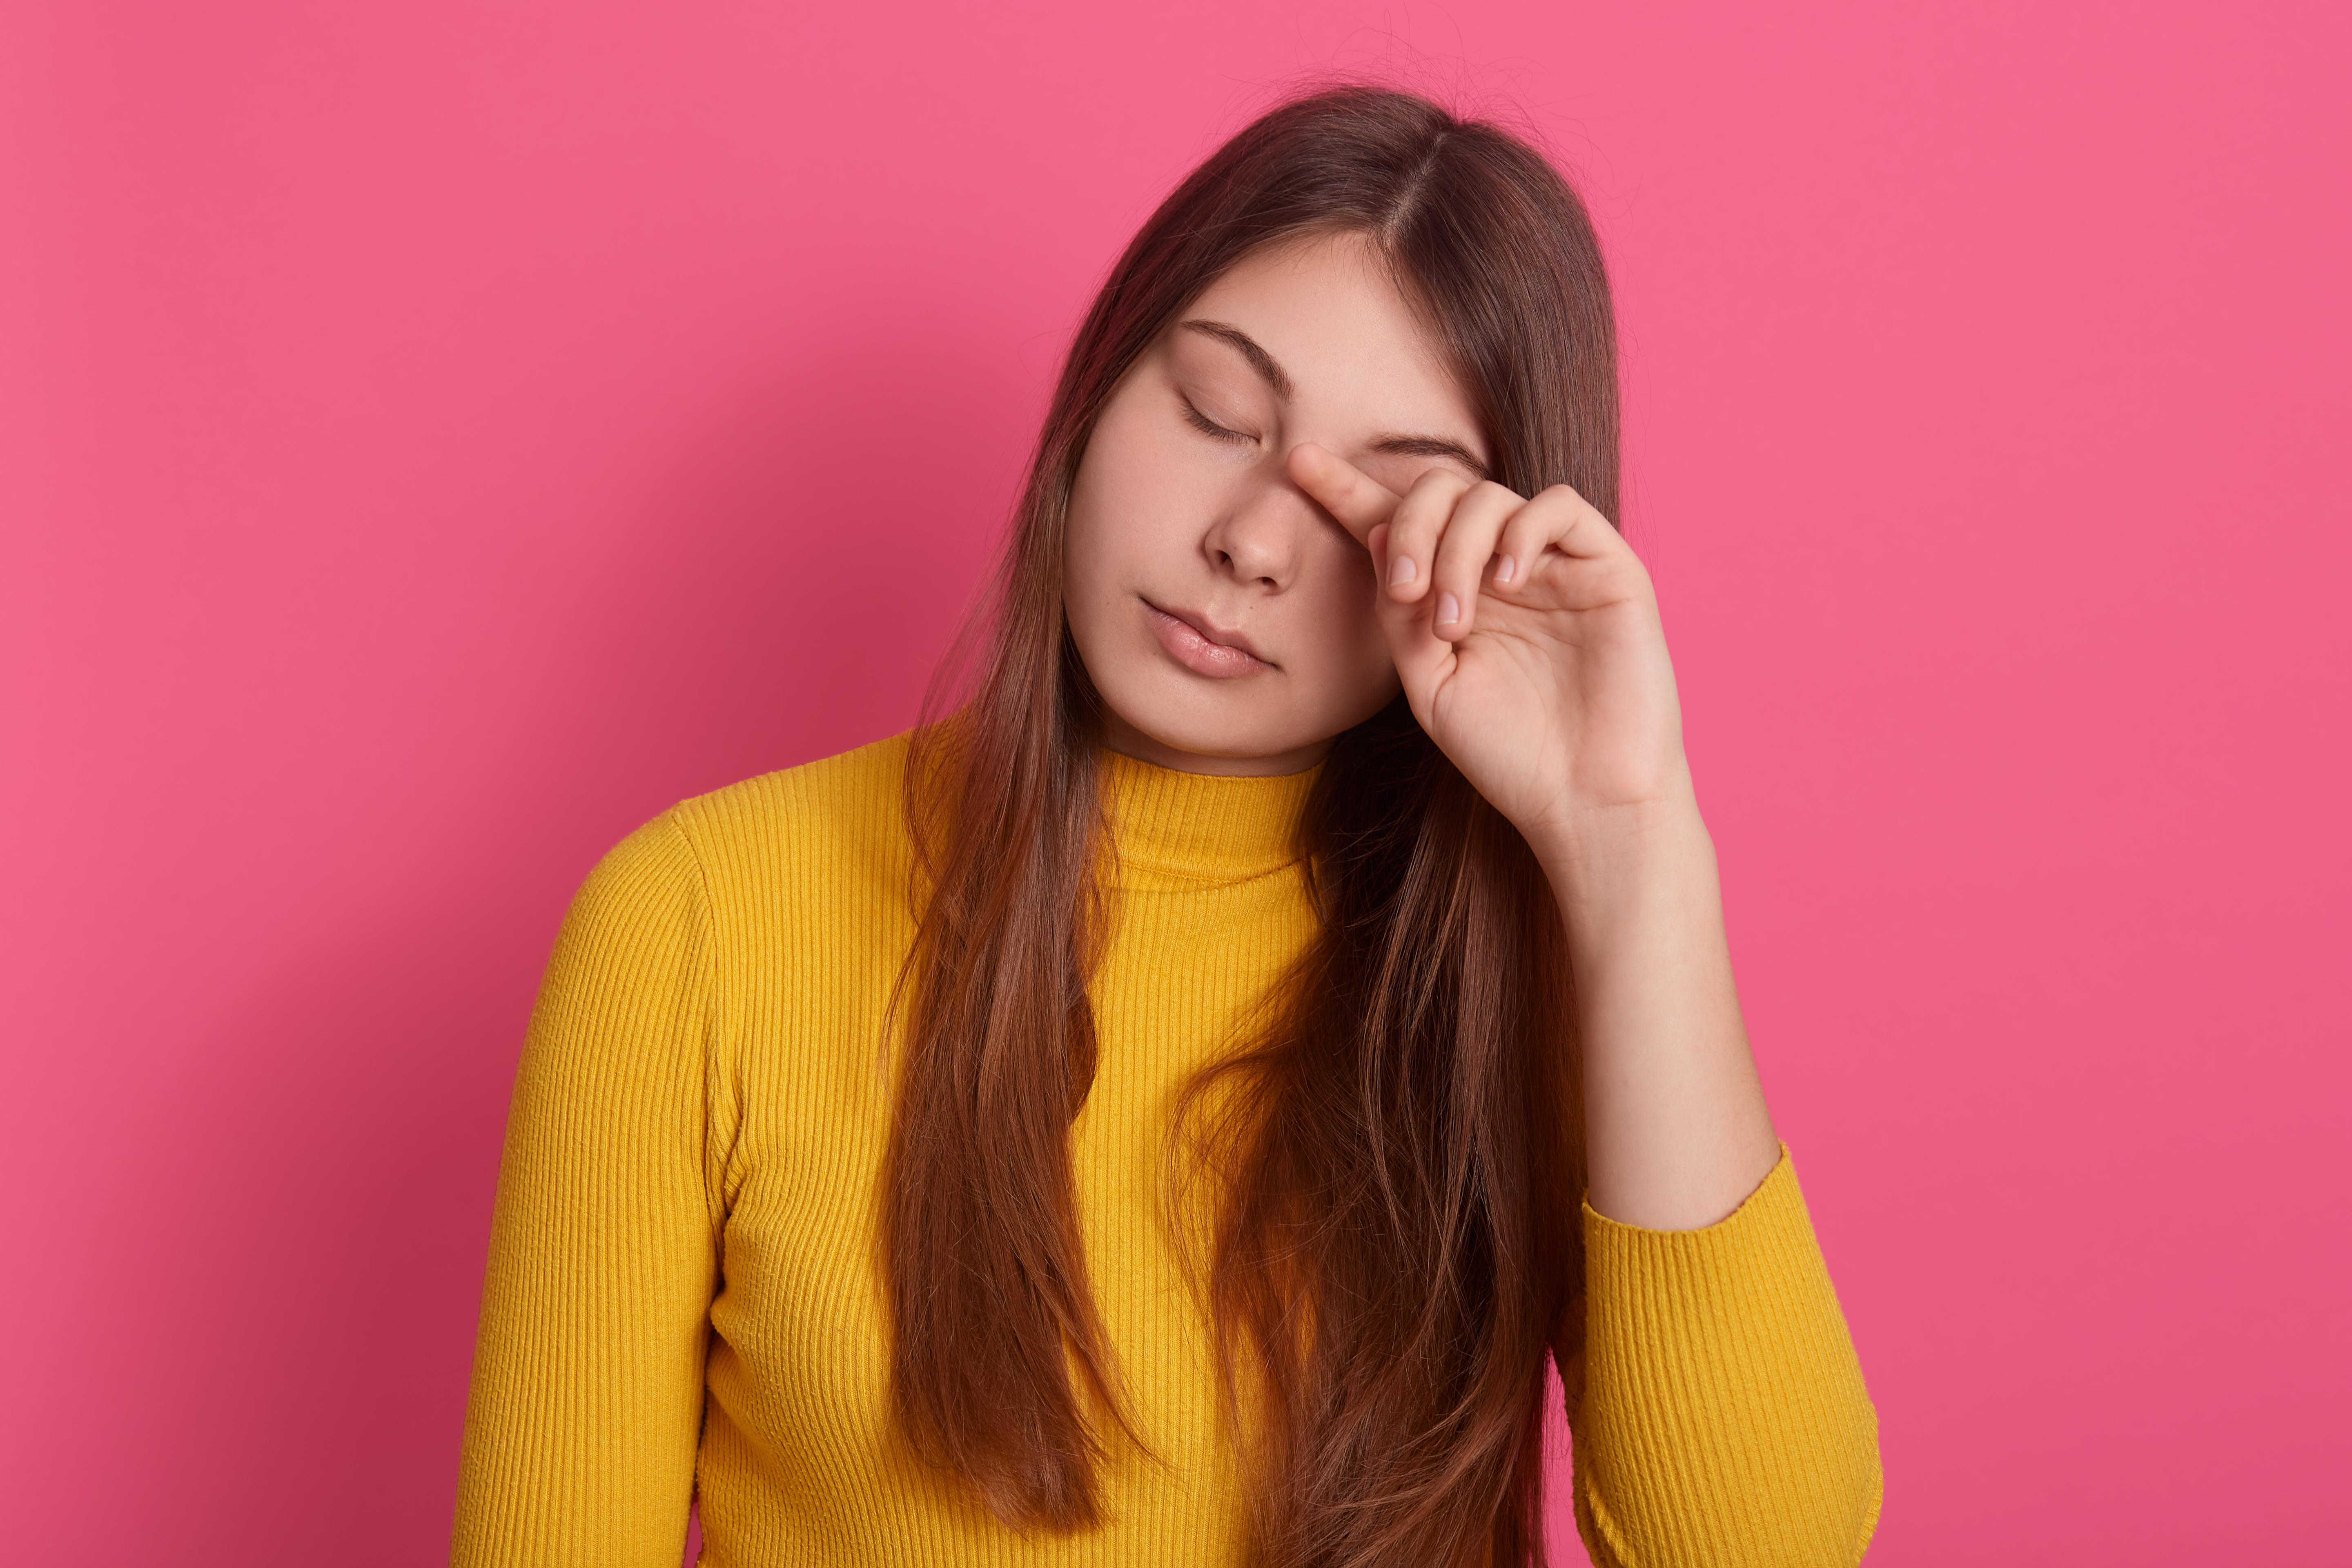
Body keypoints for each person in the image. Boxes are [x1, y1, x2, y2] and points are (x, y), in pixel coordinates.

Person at [452, 85, 1882, 1568]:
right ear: (1099, 389)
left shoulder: (1540, 988)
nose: (1253, 542)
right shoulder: (700, 922)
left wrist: (1631, 839)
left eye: (1375, 506)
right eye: (1213, 414)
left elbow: (1766, 1548)